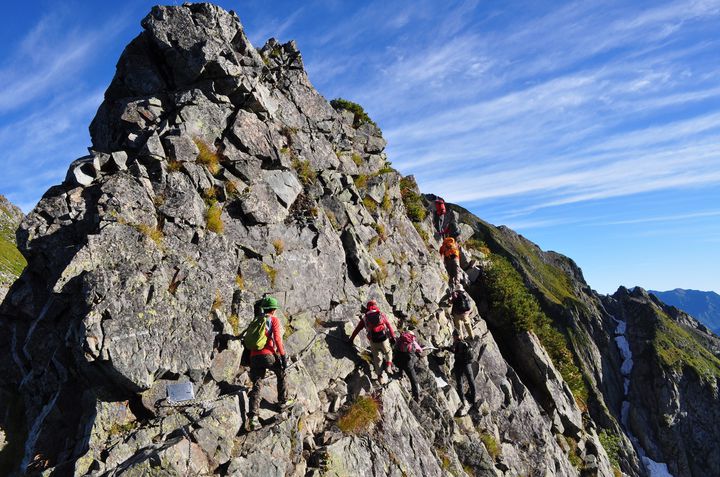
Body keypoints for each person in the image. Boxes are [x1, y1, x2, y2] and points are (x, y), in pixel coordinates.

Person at [245, 296, 290, 431]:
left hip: (254, 356)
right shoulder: (273, 320)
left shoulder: (256, 320)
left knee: (257, 384)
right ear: (274, 310)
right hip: (267, 354)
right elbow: (277, 338)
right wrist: (282, 355)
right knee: (281, 373)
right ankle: (283, 401)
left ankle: (253, 418)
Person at [349, 300, 396, 384]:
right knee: (388, 352)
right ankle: (389, 365)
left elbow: (357, 330)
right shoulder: (381, 314)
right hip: (383, 339)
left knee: (377, 358)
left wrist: (351, 339)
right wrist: (393, 337)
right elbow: (388, 325)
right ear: (375, 305)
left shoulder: (365, 318)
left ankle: (379, 376)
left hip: (373, 340)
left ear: (368, 307)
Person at [445, 330, 478, 416]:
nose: (453, 337)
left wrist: (445, 348)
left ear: (455, 336)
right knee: (471, 381)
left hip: (459, 365)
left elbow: (454, 351)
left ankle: (462, 399)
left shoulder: (457, 343)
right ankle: (474, 399)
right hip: (468, 365)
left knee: (459, 382)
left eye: (453, 336)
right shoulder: (465, 342)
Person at [393, 331, 423, 401]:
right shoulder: (412, 341)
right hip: (408, 365)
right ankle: (416, 397)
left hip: (397, 361)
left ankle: (400, 374)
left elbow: (395, 347)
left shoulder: (400, 339)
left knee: (401, 360)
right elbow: (420, 350)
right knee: (414, 380)